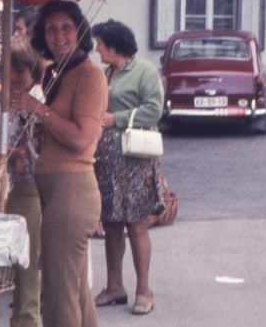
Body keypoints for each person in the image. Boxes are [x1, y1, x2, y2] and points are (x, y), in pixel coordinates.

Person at [12, 0, 107, 327]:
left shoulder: (90, 76)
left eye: (66, 26)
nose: (58, 34)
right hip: (56, 192)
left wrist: (38, 108)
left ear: (80, 31)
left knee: (58, 291)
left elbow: (82, 138)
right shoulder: (57, 73)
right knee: (76, 290)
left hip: (73, 193)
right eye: (51, 28)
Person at [90, 19, 166, 316]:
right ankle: (114, 287)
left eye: (100, 44)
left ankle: (144, 290)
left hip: (134, 161)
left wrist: (115, 119)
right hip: (108, 162)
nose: (96, 48)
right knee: (110, 224)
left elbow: (154, 109)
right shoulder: (107, 74)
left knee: (135, 224)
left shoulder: (144, 71)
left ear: (114, 45)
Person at [0, 39, 45, 327]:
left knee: (27, 264)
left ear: (32, 70)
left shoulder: (38, 102)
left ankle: (25, 322)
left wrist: (8, 153)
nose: (15, 77)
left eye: (21, 71)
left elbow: (34, 148)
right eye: (8, 70)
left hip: (29, 191)